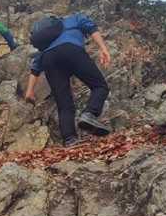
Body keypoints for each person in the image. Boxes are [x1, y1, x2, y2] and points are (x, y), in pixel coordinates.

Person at [25, 12, 111, 147]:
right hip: (71, 50)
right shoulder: (75, 18)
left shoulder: (48, 40)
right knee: (100, 86)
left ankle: (70, 139)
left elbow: (36, 67)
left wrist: (29, 91)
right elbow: (91, 28)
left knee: (64, 103)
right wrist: (103, 48)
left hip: (49, 59)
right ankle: (89, 113)